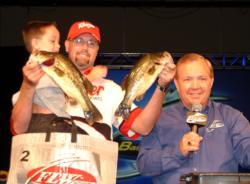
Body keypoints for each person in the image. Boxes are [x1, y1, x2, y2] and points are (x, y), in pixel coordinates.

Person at [11, 20, 176, 141]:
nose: (85, 47)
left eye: (92, 43)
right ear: (66, 45)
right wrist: (28, 84)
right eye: (78, 41)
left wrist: (162, 86)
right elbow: (18, 128)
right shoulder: (42, 78)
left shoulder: (111, 89)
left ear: (97, 50)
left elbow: (143, 127)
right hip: (48, 170)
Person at [136, 53, 250, 184]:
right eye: (187, 79)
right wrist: (178, 151)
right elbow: (144, 165)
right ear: (177, 84)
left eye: (202, 78)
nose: (195, 86)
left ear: (211, 82)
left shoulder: (232, 117)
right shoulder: (159, 119)